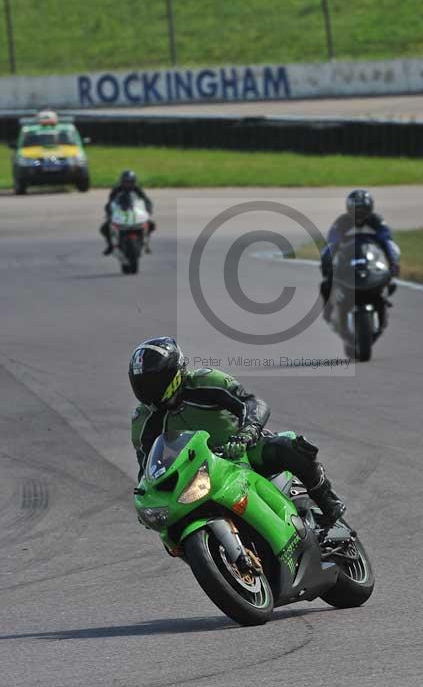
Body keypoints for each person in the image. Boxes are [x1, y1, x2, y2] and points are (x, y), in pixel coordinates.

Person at [129, 337, 346, 527]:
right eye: (142, 385)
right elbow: (147, 469)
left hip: (242, 452)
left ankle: (328, 502)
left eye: (153, 383)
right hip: (197, 476)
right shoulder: (144, 421)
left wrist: (247, 432)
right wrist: (148, 500)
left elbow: (252, 403)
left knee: (289, 447)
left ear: (173, 373)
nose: (148, 391)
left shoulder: (205, 382)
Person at [320, 188, 400, 322]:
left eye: (363, 210)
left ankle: (381, 302)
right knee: (326, 284)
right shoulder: (341, 222)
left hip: (371, 261)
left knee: (390, 282)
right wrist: (326, 262)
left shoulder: (377, 221)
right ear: (349, 209)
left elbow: (387, 242)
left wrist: (393, 263)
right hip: (348, 260)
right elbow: (331, 243)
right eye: (356, 210)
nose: (359, 213)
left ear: (370, 208)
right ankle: (328, 309)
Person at [100, 170, 155, 255]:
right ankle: (110, 246)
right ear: (122, 182)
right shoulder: (116, 189)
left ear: (134, 182)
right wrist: (109, 212)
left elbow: (146, 200)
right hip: (120, 212)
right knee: (104, 228)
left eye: (130, 182)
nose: (128, 184)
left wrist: (148, 209)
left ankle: (146, 244)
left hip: (134, 212)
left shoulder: (137, 189)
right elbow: (110, 202)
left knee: (151, 224)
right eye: (126, 182)